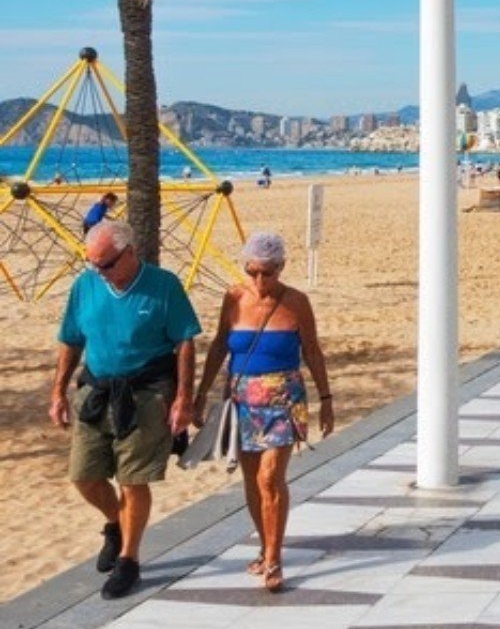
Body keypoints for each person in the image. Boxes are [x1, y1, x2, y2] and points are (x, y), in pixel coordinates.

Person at [50, 221, 201, 600]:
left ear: (130, 252)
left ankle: (129, 560)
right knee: (83, 476)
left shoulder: (163, 286)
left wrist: (184, 397)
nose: (100, 273)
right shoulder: (85, 286)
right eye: (93, 265)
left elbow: (185, 342)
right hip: (96, 393)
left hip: (147, 397)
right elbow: (70, 340)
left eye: (107, 264)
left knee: (133, 481)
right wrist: (57, 392)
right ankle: (115, 524)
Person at [193, 233, 333, 593]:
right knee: (253, 480)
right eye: (252, 272)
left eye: (267, 273)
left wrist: (327, 398)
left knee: (271, 479)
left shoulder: (296, 303)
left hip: (284, 400)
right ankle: (264, 544)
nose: (259, 281)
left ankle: (274, 558)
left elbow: (313, 351)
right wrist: (201, 393)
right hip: (242, 400)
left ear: (281, 267)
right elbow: (220, 347)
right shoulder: (234, 298)